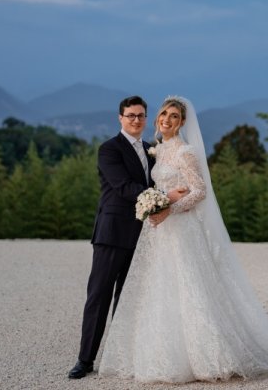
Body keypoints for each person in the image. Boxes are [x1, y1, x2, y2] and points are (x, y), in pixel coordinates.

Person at [98, 96, 268, 382]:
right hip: (159, 233)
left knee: (190, 288)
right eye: (164, 114)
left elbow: (199, 192)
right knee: (159, 289)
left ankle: (206, 357)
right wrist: (158, 204)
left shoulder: (186, 152)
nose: (167, 120)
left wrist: (168, 208)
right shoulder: (156, 151)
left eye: (174, 116)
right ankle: (159, 355)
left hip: (182, 228)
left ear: (182, 122)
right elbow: (150, 186)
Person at [68, 96, 187, 380]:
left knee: (130, 298)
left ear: (146, 119)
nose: (136, 120)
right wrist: (165, 198)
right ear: (120, 118)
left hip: (146, 235)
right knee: (99, 296)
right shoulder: (109, 149)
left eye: (141, 116)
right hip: (112, 233)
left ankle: (123, 355)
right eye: (131, 115)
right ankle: (85, 360)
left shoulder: (151, 150)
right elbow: (123, 187)